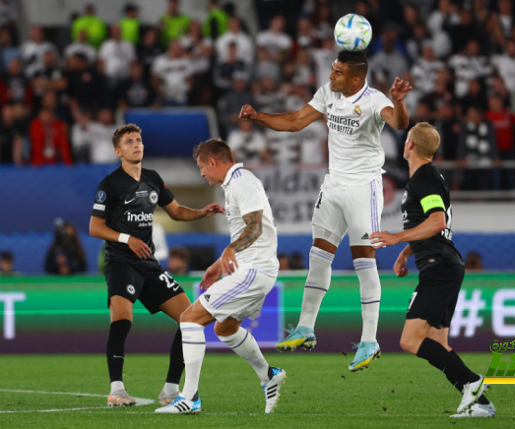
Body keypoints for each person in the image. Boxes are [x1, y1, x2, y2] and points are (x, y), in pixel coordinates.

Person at [239, 50, 411, 371]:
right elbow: (294, 122)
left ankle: (370, 340)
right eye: (332, 71)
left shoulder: (375, 100)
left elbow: (399, 123)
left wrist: (399, 100)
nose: (331, 77)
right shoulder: (327, 93)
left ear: (356, 79)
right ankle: (305, 328)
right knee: (318, 256)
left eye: (338, 73)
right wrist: (257, 116)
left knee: (363, 260)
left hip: (364, 189)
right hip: (332, 187)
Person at [89, 124, 222, 407]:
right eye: (129, 142)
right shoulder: (109, 184)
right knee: (122, 321)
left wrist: (201, 212)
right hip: (121, 261)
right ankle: (117, 390)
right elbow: (95, 227)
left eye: (138, 140)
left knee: (191, 319)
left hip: (148, 264)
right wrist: (127, 239)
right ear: (118, 151)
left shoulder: (152, 179)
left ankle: (171, 390)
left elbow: (175, 212)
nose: (136, 145)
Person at [369, 123, 495, 418]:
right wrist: (404, 252)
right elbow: (430, 225)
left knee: (409, 340)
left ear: (409, 144)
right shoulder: (429, 177)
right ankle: (481, 405)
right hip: (446, 264)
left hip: (439, 267)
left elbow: (437, 221)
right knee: (439, 343)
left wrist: (397, 237)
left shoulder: (423, 179)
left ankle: (473, 383)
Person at [155, 139, 285, 415]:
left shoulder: (242, 181)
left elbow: (255, 227)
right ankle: (268, 374)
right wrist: (219, 262)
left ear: (213, 162)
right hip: (254, 269)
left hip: (254, 269)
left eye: (202, 167)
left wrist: (229, 249)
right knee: (224, 329)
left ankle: (189, 398)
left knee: (189, 319)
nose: (201, 173)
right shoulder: (235, 184)